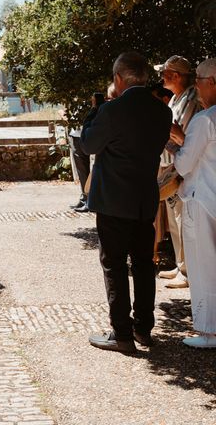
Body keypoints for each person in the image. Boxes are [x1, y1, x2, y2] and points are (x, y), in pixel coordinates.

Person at [82, 52, 171, 353]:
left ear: (118, 79)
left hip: (113, 200)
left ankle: (121, 334)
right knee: (145, 266)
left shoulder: (112, 111)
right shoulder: (162, 112)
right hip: (145, 198)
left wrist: (94, 113)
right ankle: (144, 329)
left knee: (115, 265)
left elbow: (88, 144)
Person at [170, 58, 216, 348]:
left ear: (211, 82)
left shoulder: (205, 119)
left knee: (203, 266)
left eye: (198, 79)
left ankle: (208, 330)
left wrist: (176, 144)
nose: (195, 84)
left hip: (202, 199)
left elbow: (185, 165)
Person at [156, 55, 201, 289]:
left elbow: (181, 134)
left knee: (183, 218)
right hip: (171, 164)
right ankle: (180, 263)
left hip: (181, 166)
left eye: (164, 72)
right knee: (175, 218)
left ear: (176, 76)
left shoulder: (191, 99)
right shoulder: (176, 98)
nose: (161, 77)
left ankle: (187, 269)